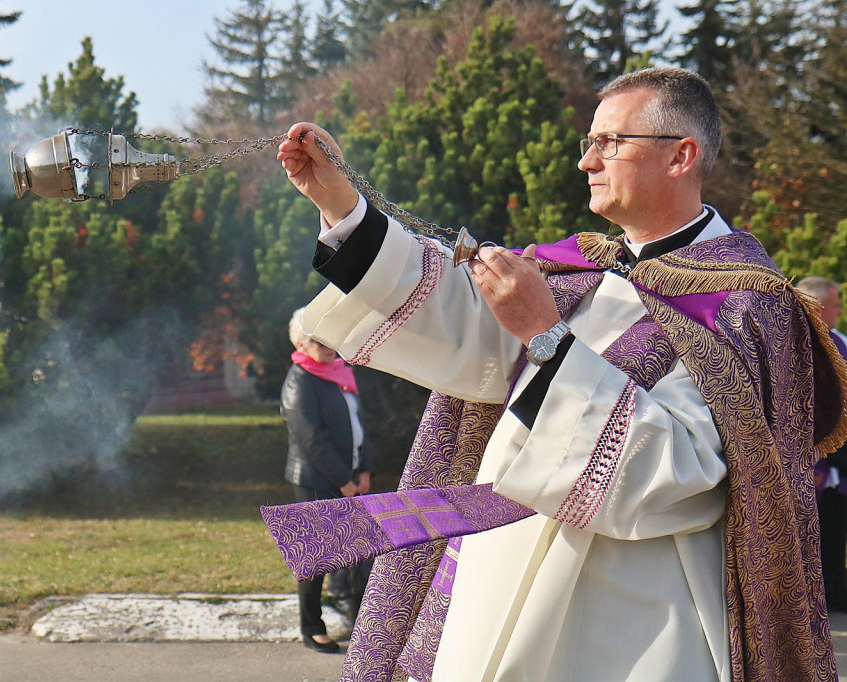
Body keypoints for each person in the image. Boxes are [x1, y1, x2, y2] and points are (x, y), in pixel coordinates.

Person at [273, 66, 847, 681]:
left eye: (611, 143)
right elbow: (458, 317)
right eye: (589, 143)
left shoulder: (747, 305)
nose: (587, 162)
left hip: (632, 615)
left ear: (681, 156)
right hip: (495, 581)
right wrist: (341, 205)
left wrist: (545, 337)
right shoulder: (578, 270)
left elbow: (679, 474)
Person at [280, 306, 373, 653]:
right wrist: (342, 480)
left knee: (350, 548)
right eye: (319, 339)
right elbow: (311, 440)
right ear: (302, 343)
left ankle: (350, 611)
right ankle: (311, 626)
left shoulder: (338, 374)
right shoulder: (299, 382)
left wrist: (364, 469)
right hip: (315, 480)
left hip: (348, 476)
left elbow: (358, 425)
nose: (329, 343)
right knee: (315, 556)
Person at [799, 276, 847, 611]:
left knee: (833, 533)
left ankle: (834, 595)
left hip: (840, 459)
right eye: (836, 304)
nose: (841, 310)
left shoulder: (842, 342)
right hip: (805, 456)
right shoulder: (791, 339)